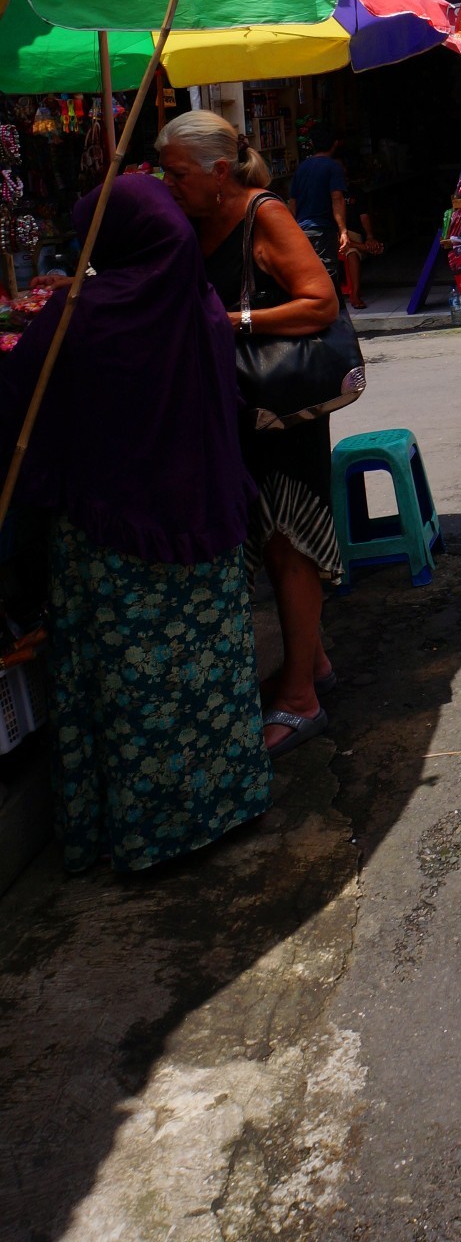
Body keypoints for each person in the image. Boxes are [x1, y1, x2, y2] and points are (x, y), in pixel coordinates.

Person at [0, 175, 268, 872]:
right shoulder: (198, 303)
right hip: (203, 524)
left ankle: (142, 831)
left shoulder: (80, 315)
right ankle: (223, 803)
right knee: (206, 675)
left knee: (129, 682)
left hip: (115, 538)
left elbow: (18, 408)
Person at [157, 110, 342, 757]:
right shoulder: (196, 221)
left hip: (282, 410)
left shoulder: (263, 214)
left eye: (176, 172)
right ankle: (308, 664)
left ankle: (300, 700)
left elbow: (319, 302)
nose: (167, 182)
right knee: (265, 543)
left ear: (216, 170)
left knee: (289, 544)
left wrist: (233, 320)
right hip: (239, 412)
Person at [289, 124, 350, 282]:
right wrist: (343, 231)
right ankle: (331, 306)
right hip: (322, 230)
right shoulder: (333, 167)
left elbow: (293, 202)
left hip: (302, 230)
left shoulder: (301, 168)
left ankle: (334, 306)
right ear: (335, 143)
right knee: (327, 274)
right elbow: (337, 198)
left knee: (308, 274)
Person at [341, 177, 384, 311]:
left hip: (350, 234)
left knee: (351, 251)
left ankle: (354, 294)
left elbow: (364, 215)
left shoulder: (355, 191)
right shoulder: (325, 192)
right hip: (333, 233)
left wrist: (370, 236)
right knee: (349, 247)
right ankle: (366, 248)